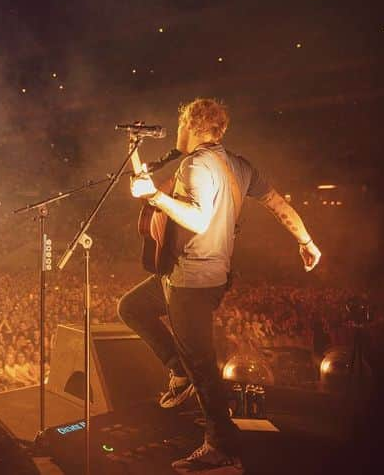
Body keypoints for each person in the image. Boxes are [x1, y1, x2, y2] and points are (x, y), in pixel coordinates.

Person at [117, 98, 321, 471]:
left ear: (192, 124)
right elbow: (279, 205)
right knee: (132, 307)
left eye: (180, 124)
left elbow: (197, 219)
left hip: (190, 280)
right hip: (206, 277)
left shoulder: (196, 164)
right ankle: (178, 369)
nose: (177, 132)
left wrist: (155, 196)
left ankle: (220, 446)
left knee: (203, 366)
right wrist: (306, 242)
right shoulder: (238, 166)